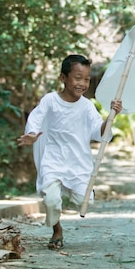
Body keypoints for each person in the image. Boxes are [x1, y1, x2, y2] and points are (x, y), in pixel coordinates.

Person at [17, 54, 122, 250]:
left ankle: (85, 191)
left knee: (84, 201)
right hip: (53, 160)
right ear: (63, 78)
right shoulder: (50, 100)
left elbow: (99, 131)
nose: (82, 83)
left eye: (87, 79)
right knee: (52, 200)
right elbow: (36, 119)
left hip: (77, 162)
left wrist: (110, 117)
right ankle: (57, 230)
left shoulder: (87, 106)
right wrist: (31, 135)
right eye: (78, 77)